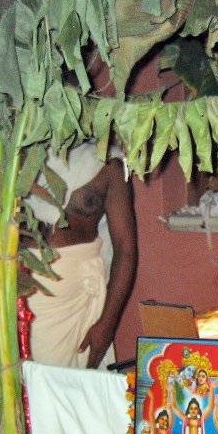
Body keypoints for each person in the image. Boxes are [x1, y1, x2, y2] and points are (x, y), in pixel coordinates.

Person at [24, 141, 137, 369]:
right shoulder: (17, 154)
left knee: (68, 386)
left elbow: (126, 249)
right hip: (20, 283)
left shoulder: (109, 165)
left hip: (74, 294)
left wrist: (107, 324)